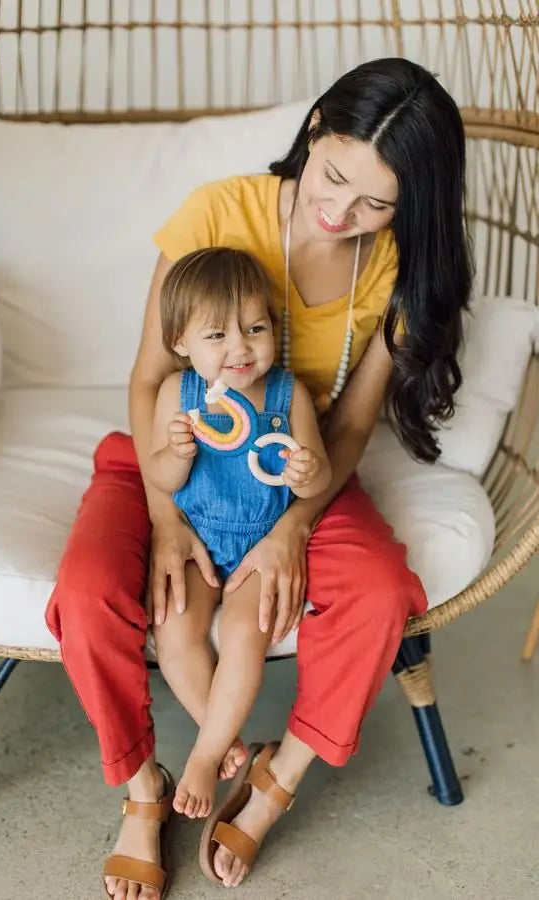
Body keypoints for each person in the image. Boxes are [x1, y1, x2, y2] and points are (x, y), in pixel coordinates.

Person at [46, 55, 472, 899]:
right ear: (314, 130)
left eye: (375, 202)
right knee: (90, 590)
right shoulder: (220, 213)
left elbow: (349, 424)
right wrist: (167, 515)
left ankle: (274, 780)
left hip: (293, 474)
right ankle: (144, 793)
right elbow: (145, 379)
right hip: (171, 461)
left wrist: (293, 526)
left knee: (384, 592)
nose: (340, 212)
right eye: (333, 176)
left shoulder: (388, 268)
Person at [147, 246, 331, 822]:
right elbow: (159, 477)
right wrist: (175, 453)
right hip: (198, 541)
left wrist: (307, 470)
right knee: (174, 632)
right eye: (217, 336)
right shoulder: (176, 396)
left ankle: (204, 759)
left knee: (244, 634)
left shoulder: (287, 396)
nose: (240, 349)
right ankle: (225, 740)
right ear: (180, 342)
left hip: (259, 546)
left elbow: (317, 479)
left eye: (255, 329)